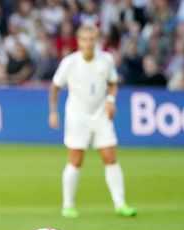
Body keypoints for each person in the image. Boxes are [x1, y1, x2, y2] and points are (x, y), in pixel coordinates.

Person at [48, 24, 136, 219]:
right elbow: (55, 87)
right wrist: (53, 112)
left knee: (110, 156)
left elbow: (113, 82)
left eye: (91, 39)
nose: (88, 43)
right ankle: (68, 205)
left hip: (101, 115)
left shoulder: (106, 60)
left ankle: (120, 204)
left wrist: (111, 101)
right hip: (77, 117)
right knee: (76, 159)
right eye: (84, 39)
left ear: (96, 41)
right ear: (78, 42)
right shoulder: (70, 63)